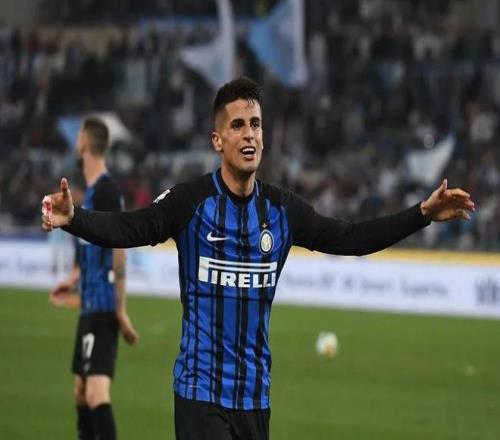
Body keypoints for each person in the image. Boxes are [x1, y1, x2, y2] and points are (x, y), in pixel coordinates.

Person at [41, 77, 474, 440]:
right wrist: (74, 218)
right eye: (238, 125)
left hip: (255, 401)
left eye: (256, 124)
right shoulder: (191, 203)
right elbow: (131, 228)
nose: (249, 134)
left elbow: (352, 238)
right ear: (218, 140)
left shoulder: (283, 211)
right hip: (200, 397)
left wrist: (422, 214)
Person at [48, 117, 139, 440]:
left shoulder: (107, 192)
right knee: (80, 391)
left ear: (84, 143)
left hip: (103, 306)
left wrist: (120, 309)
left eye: (78, 139)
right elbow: (89, 248)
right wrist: (73, 278)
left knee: (95, 392)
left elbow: (120, 248)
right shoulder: (90, 194)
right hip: (89, 304)